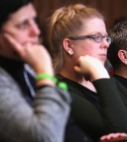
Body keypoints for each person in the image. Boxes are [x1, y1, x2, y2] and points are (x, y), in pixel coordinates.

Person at [47, 4, 127, 141]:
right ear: (69, 45)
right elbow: (119, 129)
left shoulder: (107, 81)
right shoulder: (59, 91)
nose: (106, 44)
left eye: (106, 38)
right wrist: (99, 74)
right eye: (97, 37)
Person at [0, 0, 71, 142]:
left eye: (34, 20)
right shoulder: (35, 67)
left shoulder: (26, 67)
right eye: (23, 24)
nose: (36, 31)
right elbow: (47, 137)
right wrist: (44, 71)